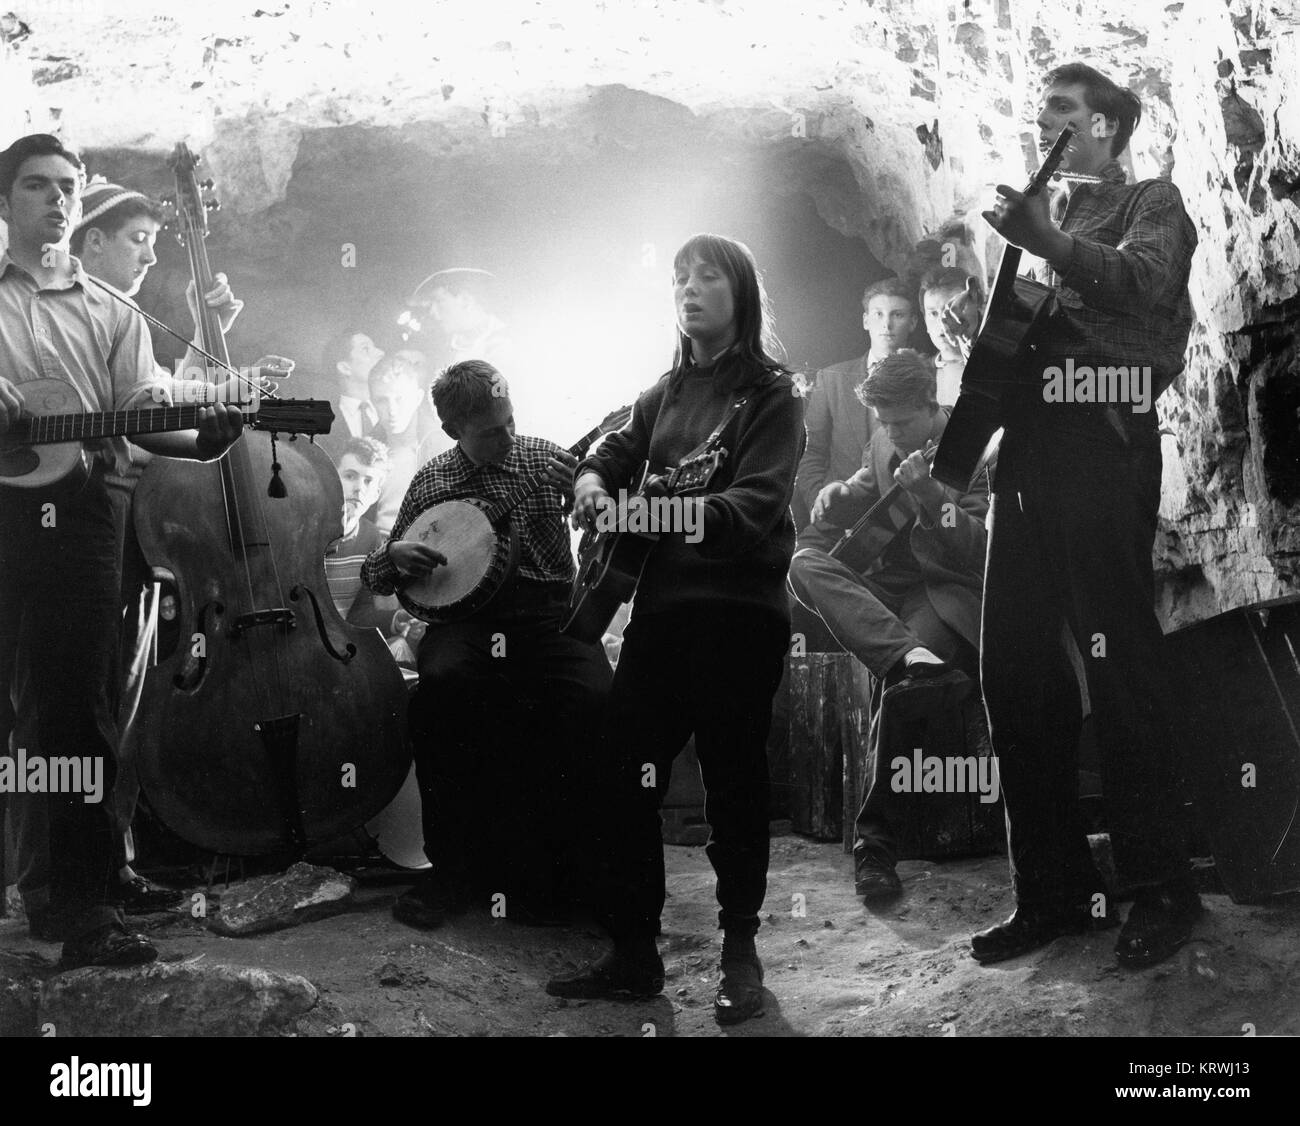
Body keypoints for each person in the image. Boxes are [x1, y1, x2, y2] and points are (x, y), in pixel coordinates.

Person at [955, 62, 1200, 968]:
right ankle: (1054, 894)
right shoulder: (1035, 227)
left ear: (1104, 126)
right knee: (1013, 670)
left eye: (1061, 108)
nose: (1044, 118)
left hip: (1104, 440)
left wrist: (1048, 240)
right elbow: (1009, 348)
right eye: (1042, 105)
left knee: (1121, 665)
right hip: (1028, 454)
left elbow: (1139, 287)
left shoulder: (1154, 201)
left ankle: (1162, 890)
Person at [546, 233, 804, 1025]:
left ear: (742, 293)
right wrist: (595, 485)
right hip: (661, 617)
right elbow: (608, 454)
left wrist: (649, 509)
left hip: (739, 616)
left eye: (708, 277)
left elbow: (752, 509)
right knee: (622, 776)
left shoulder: (772, 394)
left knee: (733, 785)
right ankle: (633, 955)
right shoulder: (661, 392)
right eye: (679, 278)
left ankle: (740, 954)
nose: (689, 290)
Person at [0, 134, 242, 968]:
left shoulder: (111, 308)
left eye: (68, 187)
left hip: (83, 516)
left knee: (78, 709)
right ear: (5, 202)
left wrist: (205, 437)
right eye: (37, 186)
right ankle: (41, 884)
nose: (58, 200)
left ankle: (82, 904)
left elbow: (144, 408)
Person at [360, 359, 610, 927]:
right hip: (467, 625)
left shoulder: (548, 459)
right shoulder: (432, 482)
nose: (509, 436)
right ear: (453, 431)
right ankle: (450, 875)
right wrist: (393, 556)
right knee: (441, 693)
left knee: (595, 700)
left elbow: (601, 518)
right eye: (492, 431)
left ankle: (581, 876)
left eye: (511, 419)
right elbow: (380, 579)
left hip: (550, 616)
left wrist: (590, 501)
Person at [788, 350, 989, 900]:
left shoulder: (977, 445)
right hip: (886, 588)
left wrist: (929, 494)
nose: (893, 433)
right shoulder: (884, 435)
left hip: (941, 592)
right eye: (885, 422)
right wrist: (840, 492)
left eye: (903, 422)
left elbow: (982, 548)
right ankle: (909, 657)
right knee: (804, 564)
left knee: (902, 692)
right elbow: (866, 482)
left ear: (931, 406)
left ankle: (874, 851)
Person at [792, 277, 918, 528]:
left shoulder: (928, 380)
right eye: (878, 314)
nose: (887, 324)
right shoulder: (831, 380)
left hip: (905, 521)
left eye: (898, 315)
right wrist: (823, 499)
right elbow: (810, 451)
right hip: (839, 519)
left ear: (913, 322)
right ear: (865, 320)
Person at [367, 349, 451, 533]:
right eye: (382, 400)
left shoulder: (444, 448)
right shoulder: (365, 450)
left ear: (418, 398)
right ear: (372, 402)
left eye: (400, 398)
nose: (392, 410)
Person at [324, 435, 400, 636]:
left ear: (376, 494)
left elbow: (358, 612)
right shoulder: (306, 529)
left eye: (368, 481)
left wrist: (393, 621)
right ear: (331, 478)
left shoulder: (370, 537)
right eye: (350, 476)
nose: (359, 488)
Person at [316, 328, 384, 462]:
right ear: (344, 368)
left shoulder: (393, 410)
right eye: (365, 349)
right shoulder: (323, 425)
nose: (381, 353)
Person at [918, 266, 982, 406]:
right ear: (925, 322)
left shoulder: (1000, 360)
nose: (943, 322)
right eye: (933, 313)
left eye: (951, 309)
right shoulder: (916, 377)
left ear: (976, 308)